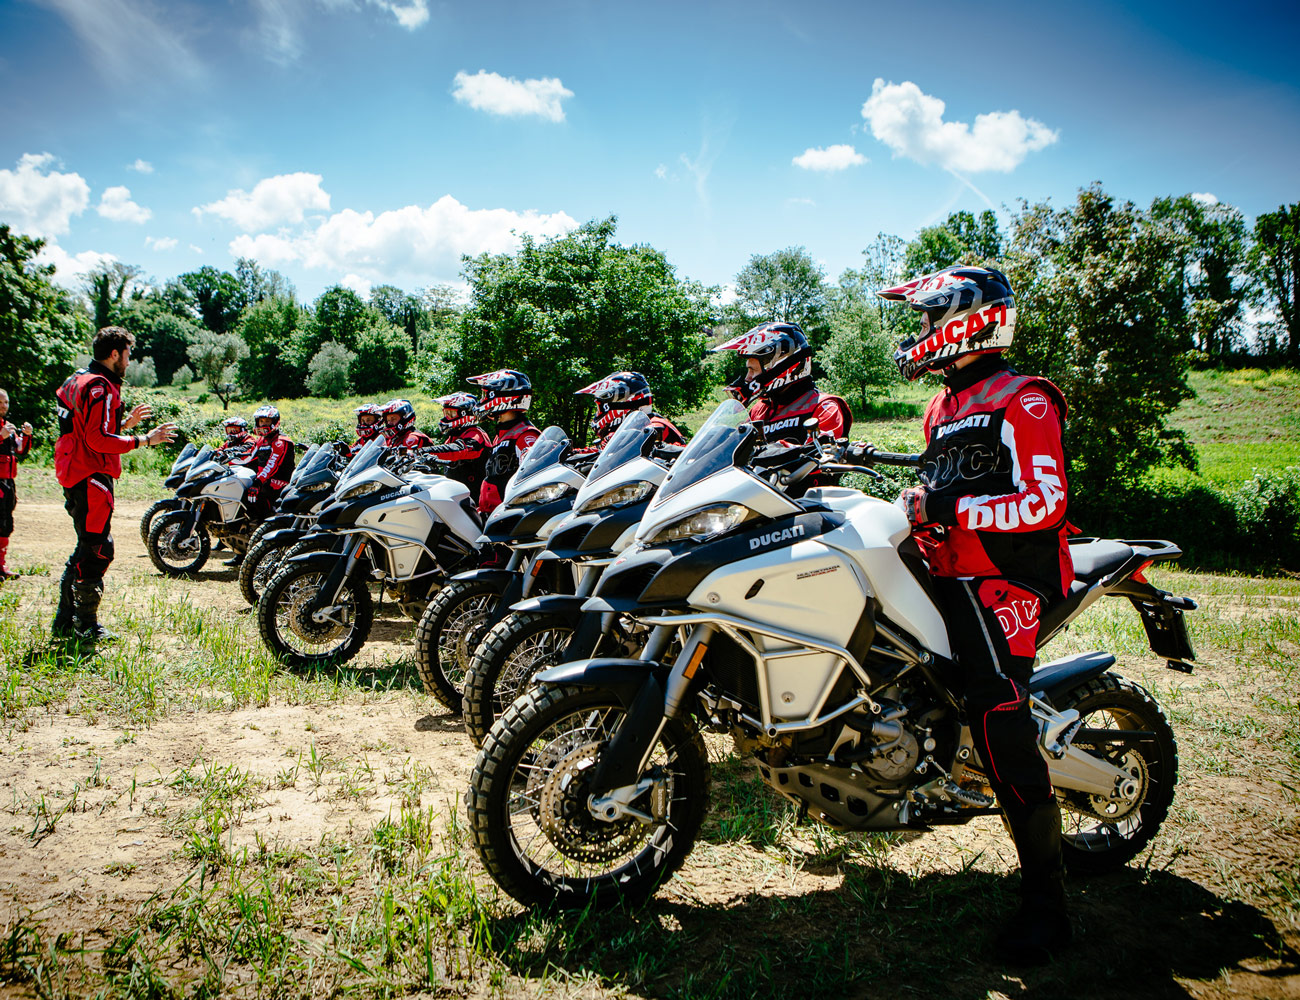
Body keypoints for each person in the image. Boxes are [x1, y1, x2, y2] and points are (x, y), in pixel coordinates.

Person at [878, 265, 1073, 965]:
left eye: (930, 318)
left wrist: (946, 508)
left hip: (1002, 579)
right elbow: (936, 486)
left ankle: (1048, 903)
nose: (921, 332)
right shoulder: (942, 405)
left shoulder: (1025, 399)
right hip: (946, 570)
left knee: (996, 715)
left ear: (967, 321)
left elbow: (1044, 502)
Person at [53, 326, 176, 640]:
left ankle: (65, 621)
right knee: (97, 550)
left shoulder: (78, 378)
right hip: (90, 474)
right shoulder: (101, 386)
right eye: (127, 355)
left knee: (87, 545)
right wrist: (144, 439)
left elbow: (83, 427)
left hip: (73, 470)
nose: (129, 361)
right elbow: (96, 439)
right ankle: (84, 625)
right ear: (114, 354)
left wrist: (124, 424)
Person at [713, 321, 851, 444]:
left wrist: (776, 448)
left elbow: (821, 455)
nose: (748, 378)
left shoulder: (824, 407)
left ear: (780, 369)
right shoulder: (759, 410)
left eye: (753, 370)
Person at [466, 370, 539, 516]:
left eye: (486, 395)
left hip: (508, 515)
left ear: (504, 398)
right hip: (490, 513)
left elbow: (533, 477)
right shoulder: (502, 434)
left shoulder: (525, 434)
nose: (482, 400)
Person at [230, 405, 295, 566]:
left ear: (275, 422)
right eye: (260, 421)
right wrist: (227, 461)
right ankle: (241, 547)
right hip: (264, 480)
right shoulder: (261, 440)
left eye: (266, 421)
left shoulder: (281, 441)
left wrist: (258, 482)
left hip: (280, 483)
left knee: (260, 502)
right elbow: (248, 457)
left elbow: (273, 464)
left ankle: (266, 536)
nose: (263, 424)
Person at [574, 371, 687, 451]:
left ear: (620, 404)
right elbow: (600, 452)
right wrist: (571, 453)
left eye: (600, 408)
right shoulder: (634, 429)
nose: (598, 414)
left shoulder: (653, 427)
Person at [423, 392, 491, 500]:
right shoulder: (452, 438)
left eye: (451, 413)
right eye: (446, 413)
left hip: (476, 499)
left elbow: (458, 450)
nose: (447, 417)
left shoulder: (476, 435)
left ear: (465, 414)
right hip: (456, 497)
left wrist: (423, 451)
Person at [0, 388, 34, 581]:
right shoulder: (4, 430)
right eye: (0, 403)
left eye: (6, 402)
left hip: (8, 482)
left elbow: (21, 449)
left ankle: (1, 566)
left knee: (5, 524)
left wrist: (26, 435)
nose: (3, 406)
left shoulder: (9, 427)